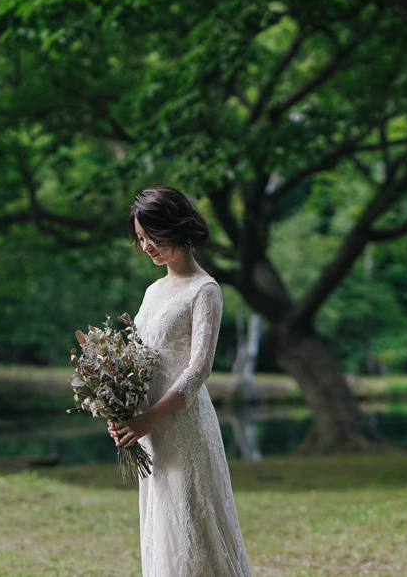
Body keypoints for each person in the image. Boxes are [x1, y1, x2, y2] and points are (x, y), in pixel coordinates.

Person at [108, 186, 253, 577]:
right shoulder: (152, 290)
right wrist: (118, 407)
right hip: (149, 429)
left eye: (152, 235)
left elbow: (199, 370)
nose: (146, 246)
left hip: (183, 424)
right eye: (140, 238)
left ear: (177, 227)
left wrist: (148, 418)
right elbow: (137, 358)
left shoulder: (204, 290)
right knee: (163, 527)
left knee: (192, 523)